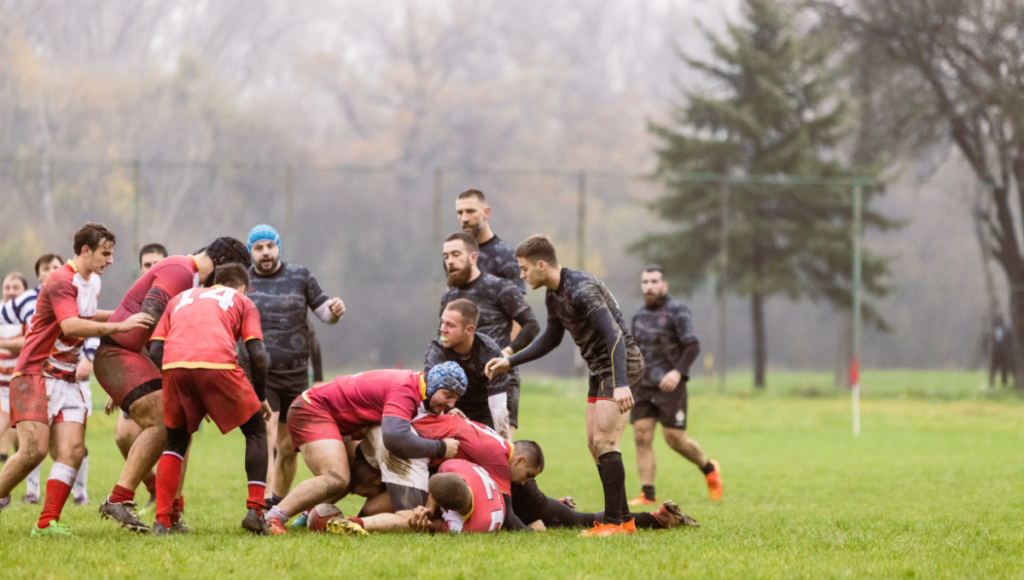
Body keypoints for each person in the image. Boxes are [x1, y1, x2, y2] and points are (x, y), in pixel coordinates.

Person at [485, 235, 645, 536]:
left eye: (524, 269)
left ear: (541, 265)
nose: (522, 275)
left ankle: (615, 524)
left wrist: (622, 383)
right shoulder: (553, 294)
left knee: (606, 442)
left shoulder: (582, 289)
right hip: (599, 370)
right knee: (594, 443)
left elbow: (615, 336)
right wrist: (511, 361)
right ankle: (622, 518)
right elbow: (551, 338)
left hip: (620, 366)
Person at [0, 223, 152, 536]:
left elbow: (88, 314)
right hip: (35, 374)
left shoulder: (92, 281)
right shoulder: (60, 279)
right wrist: (121, 327)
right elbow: (70, 325)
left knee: (73, 450)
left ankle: (47, 522)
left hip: (67, 380)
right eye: (104, 253)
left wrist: (124, 317)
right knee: (34, 451)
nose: (109, 261)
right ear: (85, 251)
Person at [94, 237, 250, 532]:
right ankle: (119, 497)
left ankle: (172, 513)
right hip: (121, 355)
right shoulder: (179, 270)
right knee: (164, 424)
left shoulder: (191, 280)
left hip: (134, 356)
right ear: (220, 265)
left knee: (180, 425)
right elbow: (149, 322)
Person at [265, 364, 467, 534]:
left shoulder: (414, 386)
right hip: (312, 410)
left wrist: (443, 415)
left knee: (349, 472)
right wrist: (440, 448)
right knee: (336, 477)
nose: (450, 403)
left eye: (455, 399)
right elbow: (395, 437)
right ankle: (273, 517)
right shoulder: (406, 389)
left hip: (322, 412)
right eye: (447, 395)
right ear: (432, 386)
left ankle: (307, 513)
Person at [148, 263, 272, 535]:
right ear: (242, 288)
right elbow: (259, 354)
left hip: (174, 365)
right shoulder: (242, 300)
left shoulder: (181, 297)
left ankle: (162, 521)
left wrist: (184, 385)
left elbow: (156, 347)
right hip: (218, 364)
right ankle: (255, 511)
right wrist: (260, 396)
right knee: (255, 429)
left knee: (176, 441)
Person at [243, 224, 345, 509]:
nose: (265, 252)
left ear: (278, 247)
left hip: (296, 374)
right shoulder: (244, 280)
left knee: (289, 448)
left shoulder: (300, 276)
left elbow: (324, 312)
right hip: (262, 373)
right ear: (250, 251)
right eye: (258, 247)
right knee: (267, 434)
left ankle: (278, 502)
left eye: (270, 246)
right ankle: (260, 505)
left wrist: (335, 311)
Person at [328, 413, 542, 535]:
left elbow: (436, 484)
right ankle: (347, 519)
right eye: (529, 475)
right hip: (411, 439)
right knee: (388, 513)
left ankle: (351, 520)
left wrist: (426, 512)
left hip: (407, 436)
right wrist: (429, 511)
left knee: (378, 510)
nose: (524, 483)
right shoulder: (470, 523)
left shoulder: (455, 468)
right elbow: (437, 483)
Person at [628, 265, 722, 505]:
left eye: (654, 281)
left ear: (664, 285)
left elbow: (692, 345)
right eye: (645, 282)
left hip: (670, 386)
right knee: (641, 435)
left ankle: (708, 467)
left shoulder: (677, 312)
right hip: (643, 386)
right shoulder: (638, 316)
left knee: (675, 440)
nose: (649, 286)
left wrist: (677, 372)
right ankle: (647, 494)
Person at [440, 232, 539, 437]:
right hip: (462, 390)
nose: (449, 261)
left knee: (500, 455)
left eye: (456, 254)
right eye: (446, 256)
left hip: (498, 384)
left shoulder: (499, 287)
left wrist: (508, 352)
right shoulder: (449, 297)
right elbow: (443, 341)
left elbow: (531, 324)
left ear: (473, 257)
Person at [103, 243, 168, 511]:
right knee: (123, 437)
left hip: (171, 378)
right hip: (139, 378)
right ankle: (153, 491)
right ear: (140, 270)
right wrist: (116, 386)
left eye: (158, 264)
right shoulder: (135, 300)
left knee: (175, 440)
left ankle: (172, 505)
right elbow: (125, 344)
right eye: (147, 265)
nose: (152, 269)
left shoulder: (177, 297)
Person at [0, 254, 65, 503]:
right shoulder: (27, 301)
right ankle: (27, 494)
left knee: (68, 447)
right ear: (38, 275)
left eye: (55, 267)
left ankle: (49, 500)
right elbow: (30, 339)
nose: (50, 272)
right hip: (28, 377)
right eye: (45, 268)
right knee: (33, 446)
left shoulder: (70, 296)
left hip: (61, 378)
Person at [425, 299, 512, 438]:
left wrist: (504, 445)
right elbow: (431, 398)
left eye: (450, 325)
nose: (442, 329)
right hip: (449, 412)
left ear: (469, 329)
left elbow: (499, 407)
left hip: (483, 415)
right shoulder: (437, 351)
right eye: (443, 322)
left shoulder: (489, 352)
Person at [454, 190, 526, 294]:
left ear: (486, 213)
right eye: (460, 213)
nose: (464, 218)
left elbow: (519, 306)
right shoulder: (454, 254)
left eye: (470, 211)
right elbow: (450, 300)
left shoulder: (506, 256)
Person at [0, 272, 29, 462]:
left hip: (23, 381)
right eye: (7, 288)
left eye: (15, 288)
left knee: (27, 437)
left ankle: (32, 488)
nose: (11, 292)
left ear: (25, 292)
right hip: (2, 383)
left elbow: (29, 342)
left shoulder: (30, 314)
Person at [989, 313, 1014, 388]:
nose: (998, 321)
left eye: (999, 320)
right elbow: (986, 343)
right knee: (993, 369)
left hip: (1004, 354)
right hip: (994, 354)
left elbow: (1010, 342)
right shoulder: (991, 331)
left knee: (1004, 370)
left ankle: (1004, 385)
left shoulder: (1007, 330)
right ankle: (991, 385)